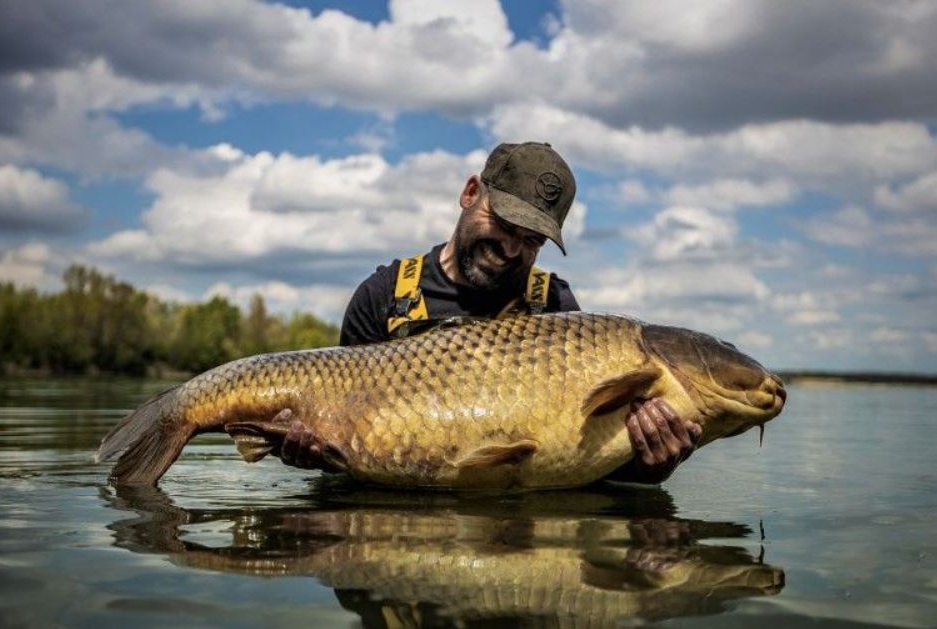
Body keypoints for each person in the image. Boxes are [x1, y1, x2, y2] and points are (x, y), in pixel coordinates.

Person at [272, 142, 701, 483]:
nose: (511, 249)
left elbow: (577, 464)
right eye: (504, 225)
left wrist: (652, 462)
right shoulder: (382, 295)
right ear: (471, 192)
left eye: (531, 241)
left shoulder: (553, 307)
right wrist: (309, 450)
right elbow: (347, 444)